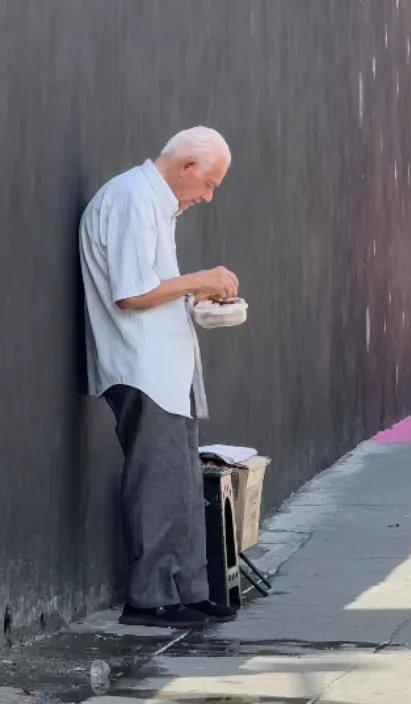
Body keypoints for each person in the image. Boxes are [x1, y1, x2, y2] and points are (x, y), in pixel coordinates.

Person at [79, 127, 241, 629]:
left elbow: (151, 289)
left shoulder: (152, 202)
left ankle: (185, 591)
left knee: (181, 485)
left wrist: (194, 298)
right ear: (188, 166)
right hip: (142, 368)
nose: (208, 196)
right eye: (209, 183)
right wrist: (201, 279)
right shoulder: (132, 198)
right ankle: (150, 598)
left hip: (166, 368)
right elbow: (130, 294)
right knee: (158, 483)